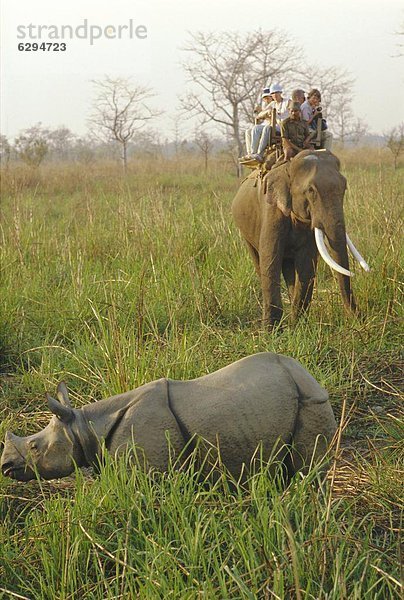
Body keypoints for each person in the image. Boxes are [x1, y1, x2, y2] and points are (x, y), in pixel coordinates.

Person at [241, 83, 290, 164]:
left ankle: (260, 154)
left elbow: (293, 111)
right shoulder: (273, 104)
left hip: (284, 126)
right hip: (275, 125)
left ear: (280, 93)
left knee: (268, 128)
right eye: (273, 93)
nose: (275, 95)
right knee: (256, 128)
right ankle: (253, 153)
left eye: (277, 93)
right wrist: (267, 112)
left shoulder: (287, 101)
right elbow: (260, 115)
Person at [240, 88, 273, 160]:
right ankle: (250, 154)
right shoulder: (265, 105)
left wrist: (262, 112)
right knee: (248, 131)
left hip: (272, 125)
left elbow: (269, 114)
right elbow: (260, 115)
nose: (266, 100)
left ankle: (255, 153)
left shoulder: (273, 104)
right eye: (265, 98)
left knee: (256, 128)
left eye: (268, 98)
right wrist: (262, 112)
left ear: (271, 97)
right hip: (265, 124)